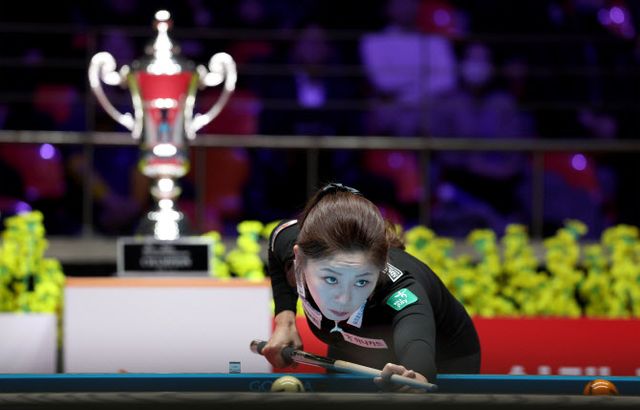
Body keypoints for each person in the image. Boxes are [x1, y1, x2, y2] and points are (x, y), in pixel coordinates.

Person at [263, 183, 480, 389]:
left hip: (445, 359)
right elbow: (277, 236)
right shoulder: (293, 244)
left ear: (381, 265)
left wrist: (417, 377)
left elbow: (417, 346)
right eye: (331, 279)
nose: (344, 299)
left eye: (362, 281)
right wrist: (285, 321)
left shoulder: (401, 290)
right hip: (350, 347)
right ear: (299, 258)